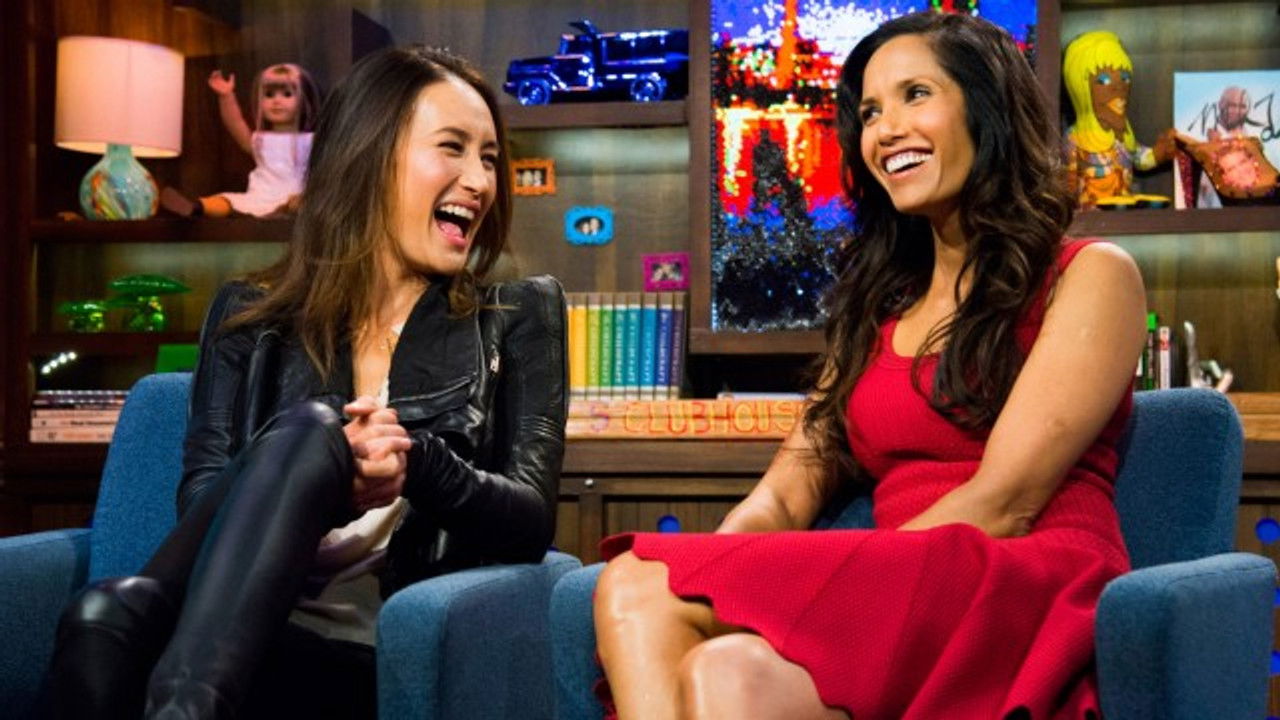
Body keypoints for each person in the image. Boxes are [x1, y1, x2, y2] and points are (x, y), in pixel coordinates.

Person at [593, 12, 1146, 720]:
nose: (885, 130)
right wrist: (722, 575)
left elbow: (1005, 501)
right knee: (705, 654)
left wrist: (837, 575)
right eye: (871, 113)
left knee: (644, 584)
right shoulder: (879, 310)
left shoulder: (1091, 274)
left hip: (1018, 577)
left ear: (987, 109)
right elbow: (783, 497)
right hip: (902, 588)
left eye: (916, 95)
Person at [47, 45, 567, 719]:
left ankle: (168, 676)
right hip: (241, 636)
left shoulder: (516, 315)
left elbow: (530, 522)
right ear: (369, 155)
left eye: (489, 158)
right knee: (107, 613)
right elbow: (203, 499)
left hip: (359, 656)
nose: (479, 181)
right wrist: (324, 486)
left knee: (108, 618)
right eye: (452, 148)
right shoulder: (249, 316)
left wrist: (415, 463)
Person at [161, 63, 321, 218]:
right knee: (227, 200)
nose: (276, 101)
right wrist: (226, 96)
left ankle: (287, 210)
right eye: (269, 95)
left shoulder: (311, 140)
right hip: (258, 197)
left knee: (301, 205)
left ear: (303, 101)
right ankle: (197, 207)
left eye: (287, 94)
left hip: (295, 198)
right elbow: (236, 123)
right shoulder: (260, 139)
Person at [1062, 30, 1175, 208]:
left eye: (1125, 78)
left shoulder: (1124, 137)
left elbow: (1138, 158)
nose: (1119, 87)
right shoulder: (1075, 138)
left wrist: (1158, 154)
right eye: (1104, 80)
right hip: (1089, 212)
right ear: (1080, 87)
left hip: (1123, 208)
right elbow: (1067, 180)